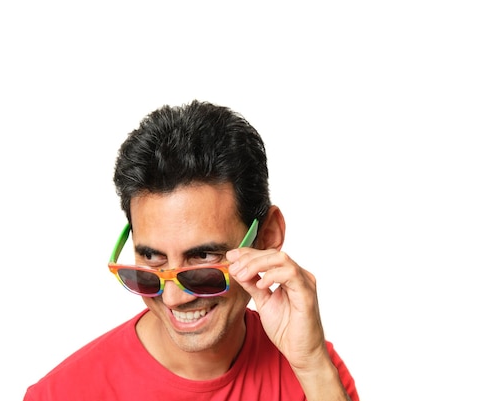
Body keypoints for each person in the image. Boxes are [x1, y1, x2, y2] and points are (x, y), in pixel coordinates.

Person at [23, 100, 359, 400]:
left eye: (202, 258)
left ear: (266, 237)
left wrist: (314, 366)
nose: (173, 298)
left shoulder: (313, 371)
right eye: (152, 259)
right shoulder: (59, 394)